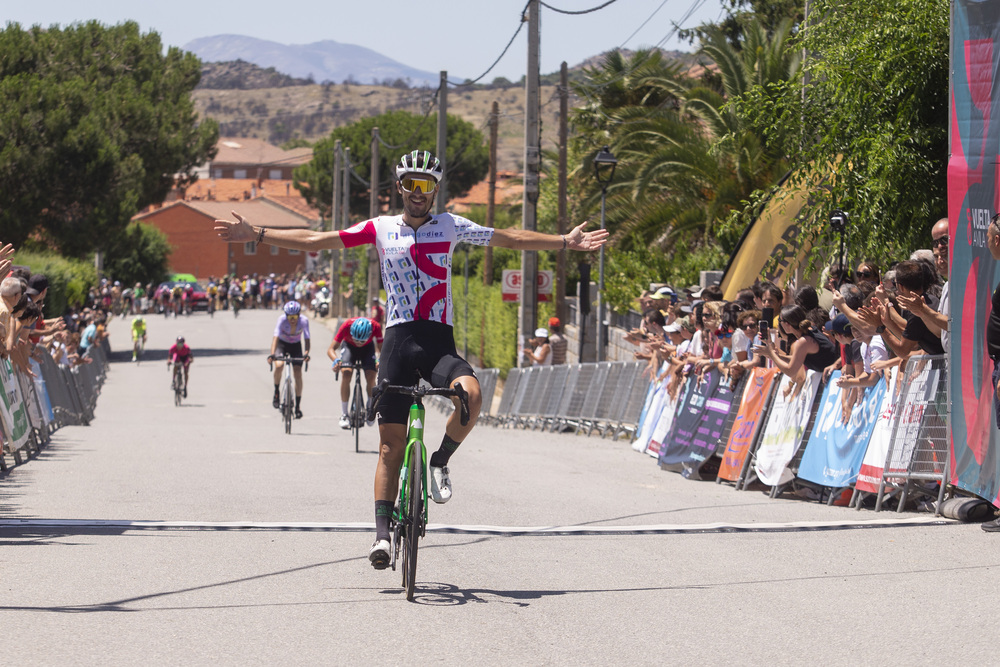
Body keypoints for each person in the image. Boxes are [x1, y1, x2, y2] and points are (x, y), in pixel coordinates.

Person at [214, 149, 608, 570]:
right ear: (398, 188)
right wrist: (256, 233)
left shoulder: (451, 226)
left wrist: (565, 242)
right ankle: (382, 536)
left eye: (426, 185)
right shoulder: (380, 228)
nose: (417, 192)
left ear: (436, 190)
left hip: (439, 343)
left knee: (471, 396)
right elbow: (317, 239)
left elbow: (510, 237)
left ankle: (439, 462)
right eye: (409, 184)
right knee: (389, 448)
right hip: (399, 344)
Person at [329, 316, 382, 429]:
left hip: (367, 349)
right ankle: (344, 414)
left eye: (361, 340)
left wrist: (378, 360)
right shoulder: (346, 326)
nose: (358, 343)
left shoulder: (376, 326)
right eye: (356, 339)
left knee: (371, 375)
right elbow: (331, 349)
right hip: (349, 347)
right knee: (346, 373)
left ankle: (370, 407)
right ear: (351, 332)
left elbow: (381, 349)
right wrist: (336, 360)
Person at [270, 300, 311, 418]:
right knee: (279, 365)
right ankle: (276, 391)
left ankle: (298, 406)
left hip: (296, 346)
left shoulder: (304, 321)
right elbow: (275, 337)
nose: (292, 320)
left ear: (299, 315)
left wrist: (306, 353)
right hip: (282, 344)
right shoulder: (281, 320)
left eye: (294, 317)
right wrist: (272, 354)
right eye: (290, 317)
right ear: (286, 315)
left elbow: (307, 339)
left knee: (298, 373)